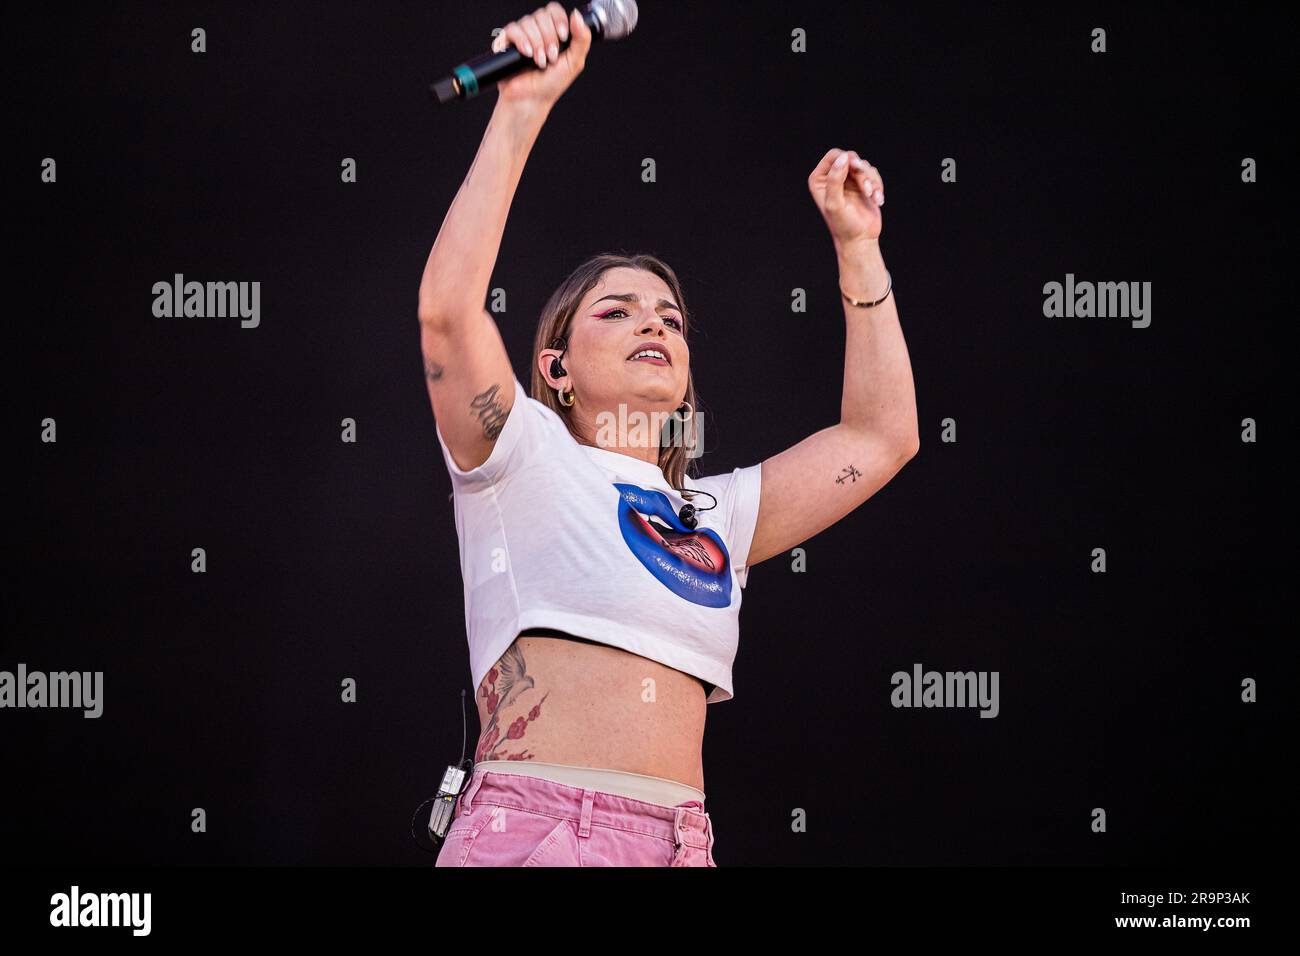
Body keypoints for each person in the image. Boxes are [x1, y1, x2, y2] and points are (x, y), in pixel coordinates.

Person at [418, 3, 919, 866]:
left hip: (681, 842)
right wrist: (522, 110)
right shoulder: (519, 457)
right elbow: (447, 314)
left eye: (671, 318)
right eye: (615, 311)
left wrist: (858, 247)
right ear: (555, 368)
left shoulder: (715, 513)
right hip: (536, 829)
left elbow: (882, 438)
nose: (653, 323)